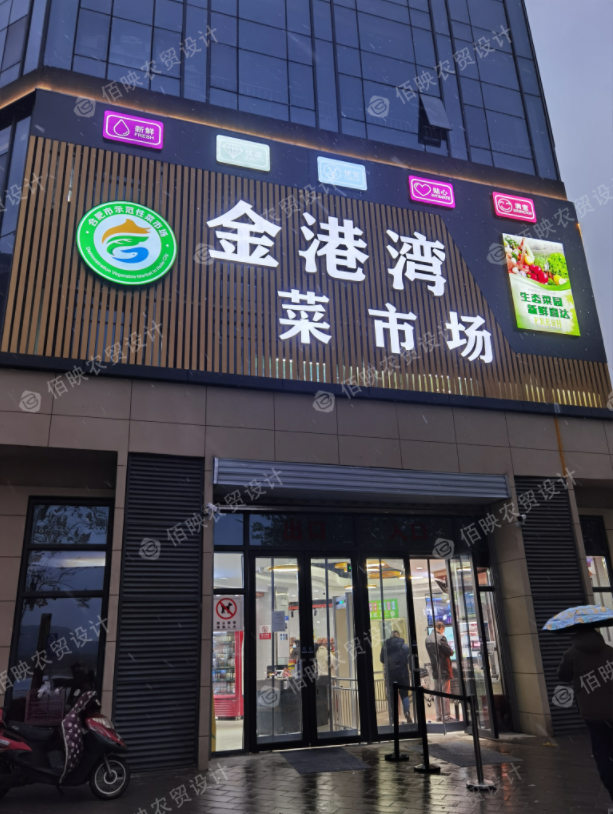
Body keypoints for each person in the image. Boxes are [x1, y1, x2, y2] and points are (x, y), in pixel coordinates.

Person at [558, 627, 613, 812]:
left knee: (603, 754)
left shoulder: (571, 654)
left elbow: (563, 676)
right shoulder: (610, 651)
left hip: (593, 713)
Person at [380, 629, 412, 723]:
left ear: (391, 637)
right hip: (403, 673)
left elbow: (382, 659)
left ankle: (394, 717)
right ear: (398, 636)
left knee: (392, 695)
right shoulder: (404, 646)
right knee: (404, 694)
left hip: (390, 674)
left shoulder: (385, 646)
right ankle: (406, 712)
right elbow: (409, 659)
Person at [425, 621, 454, 722]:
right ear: (441, 628)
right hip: (444, 668)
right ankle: (446, 716)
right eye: (443, 630)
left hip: (435, 669)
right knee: (445, 692)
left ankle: (439, 715)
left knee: (437, 692)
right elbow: (450, 652)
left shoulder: (427, 639)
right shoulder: (441, 637)